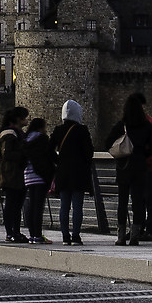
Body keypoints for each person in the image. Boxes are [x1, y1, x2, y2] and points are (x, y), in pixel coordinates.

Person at [103, 92, 152, 244]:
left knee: (122, 202)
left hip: (124, 167)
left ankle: (121, 236)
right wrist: (142, 153)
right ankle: (135, 236)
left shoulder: (122, 125)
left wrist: (119, 154)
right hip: (140, 168)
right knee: (138, 203)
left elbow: (107, 143)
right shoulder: (147, 126)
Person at [49, 100, 95, 245]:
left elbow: (49, 149)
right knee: (77, 207)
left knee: (64, 206)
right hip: (79, 173)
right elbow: (89, 152)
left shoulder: (58, 130)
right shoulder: (82, 130)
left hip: (63, 172)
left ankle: (65, 236)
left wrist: (59, 160)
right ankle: (75, 236)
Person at [0, 107, 30, 243]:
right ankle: (11, 232)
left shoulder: (18, 133)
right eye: (25, 117)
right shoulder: (9, 134)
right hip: (11, 174)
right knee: (12, 204)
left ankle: (16, 231)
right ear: (18, 119)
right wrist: (25, 154)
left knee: (17, 204)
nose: (27, 120)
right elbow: (7, 154)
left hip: (18, 174)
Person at [20, 113, 55, 244]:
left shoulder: (26, 140)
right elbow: (49, 156)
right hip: (40, 177)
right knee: (38, 207)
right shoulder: (42, 139)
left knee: (31, 206)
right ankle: (38, 235)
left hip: (28, 176)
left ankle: (32, 235)